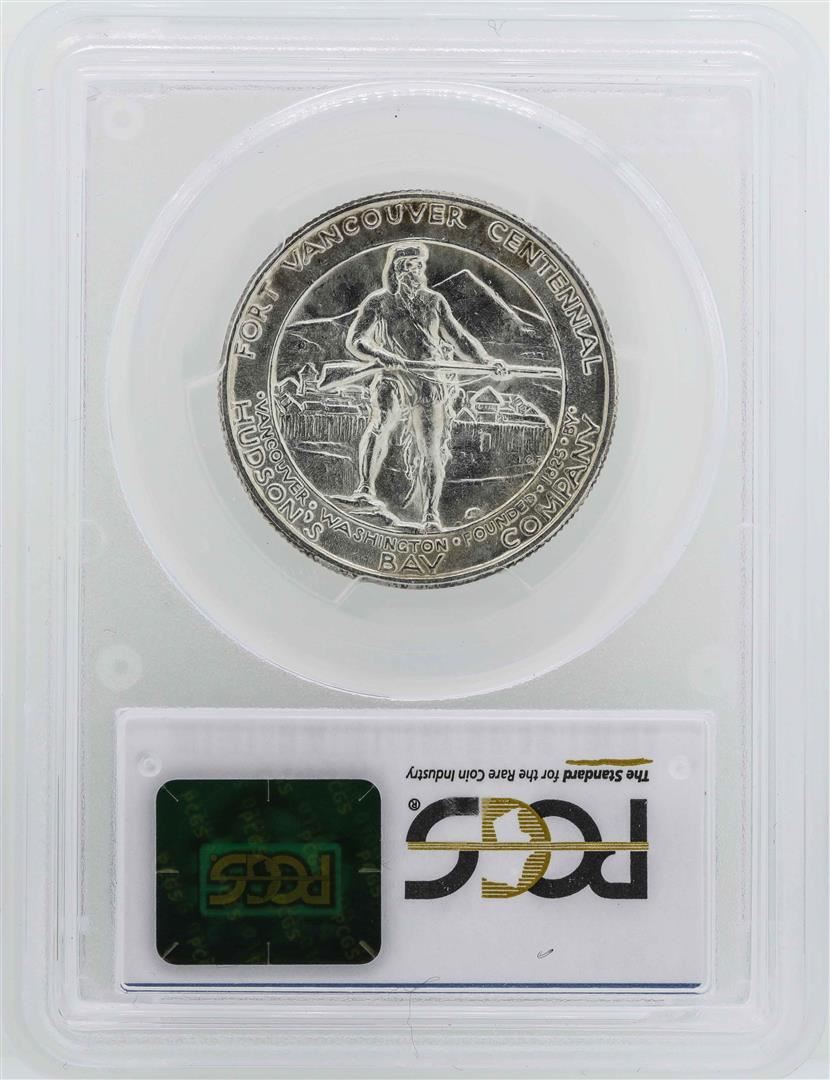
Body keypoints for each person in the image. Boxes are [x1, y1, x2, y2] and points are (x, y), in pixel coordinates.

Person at [344, 242, 505, 531]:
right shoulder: (379, 302)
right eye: (409, 267)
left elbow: (459, 337)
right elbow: (357, 339)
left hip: (429, 378)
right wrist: (383, 355)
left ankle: (430, 515)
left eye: (419, 267)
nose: (415, 272)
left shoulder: (434, 301)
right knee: (380, 422)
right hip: (393, 374)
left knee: (430, 448)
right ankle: (365, 490)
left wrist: (486, 360)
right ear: (397, 271)